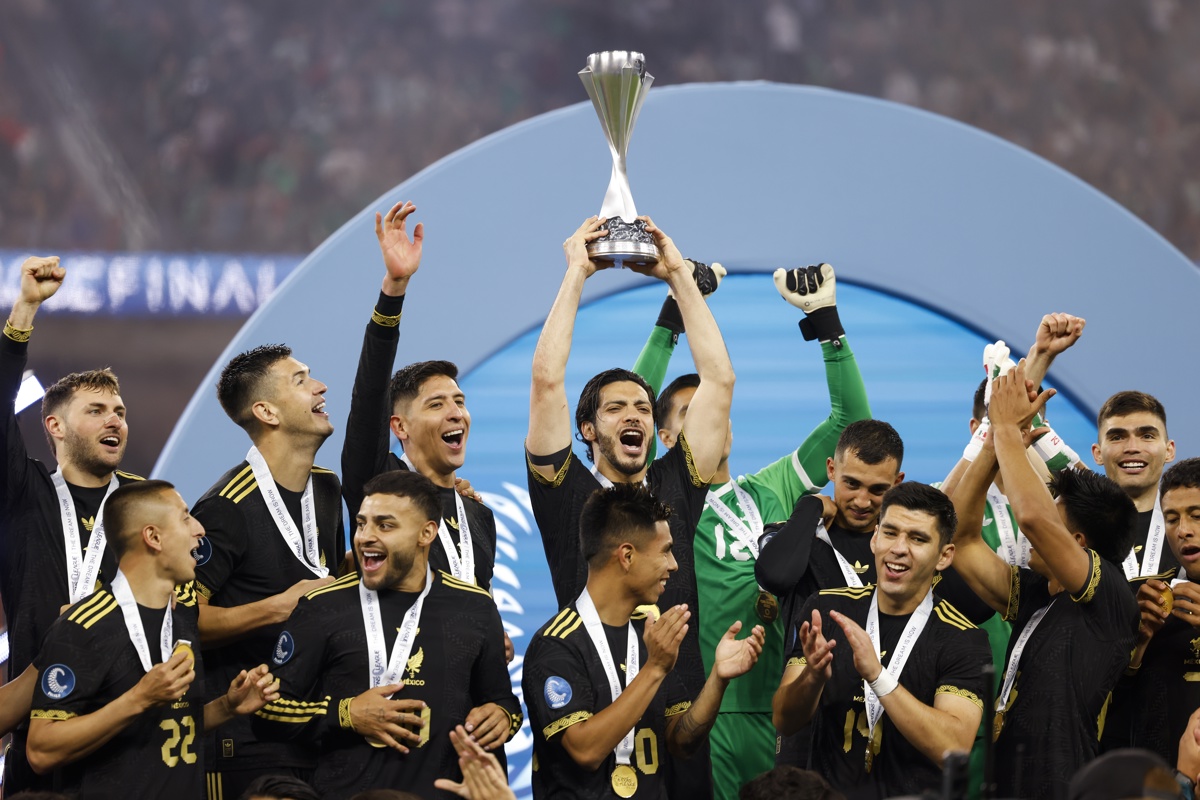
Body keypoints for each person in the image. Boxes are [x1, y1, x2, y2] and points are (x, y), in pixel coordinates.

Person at [643, 263, 871, 799]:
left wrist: (826, 322)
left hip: (787, 705)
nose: (712, 419)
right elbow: (627, 413)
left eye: (717, 409)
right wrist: (672, 319)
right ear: (665, 437)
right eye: (693, 412)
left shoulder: (773, 486)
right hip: (707, 708)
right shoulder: (661, 500)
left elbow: (853, 430)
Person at [252, 469, 521, 800]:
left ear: (426, 533)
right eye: (361, 523)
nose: (365, 537)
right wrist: (345, 714)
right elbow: (265, 713)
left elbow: (503, 701)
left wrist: (504, 716)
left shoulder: (476, 607)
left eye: (385, 525)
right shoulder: (322, 606)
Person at [948, 362, 1139, 800]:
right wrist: (993, 443)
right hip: (1006, 783)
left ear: (1077, 543)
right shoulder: (1040, 593)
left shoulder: (1109, 591)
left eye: (1058, 510)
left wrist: (1007, 430)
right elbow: (961, 536)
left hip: (1063, 787)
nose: (1034, 520)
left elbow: (1033, 517)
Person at [26, 480, 278, 799]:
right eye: (185, 518)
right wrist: (138, 698)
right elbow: (41, 751)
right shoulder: (83, 627)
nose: (200, 530)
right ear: (153, 537)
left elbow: (165, 727)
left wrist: (227, 707)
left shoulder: (182, 618)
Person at [0, 255, 144, 792]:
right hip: (39, 723)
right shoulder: (24, 493)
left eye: (120, 411)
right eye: (96, 410)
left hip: (129, 731)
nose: (115, 420)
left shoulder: (146, 502)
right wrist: (24, 310)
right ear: (54, 426)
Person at [523, 483, 765, 799]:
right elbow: (585, 750)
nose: (674, 564)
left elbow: (680, 741)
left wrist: (718, 679)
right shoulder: (557, 644)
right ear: (627, 556)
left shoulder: (648, 633)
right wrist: (654, 668)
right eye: (665, 551)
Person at [191, 344, 345, 798]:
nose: (321, 387)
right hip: (245, 742)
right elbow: (182, 621)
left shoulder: (327, 488)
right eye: (301, 380)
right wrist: (278, 607)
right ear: (266, 412)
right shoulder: (224, 506)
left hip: (318, 732)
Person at [772, 482, 990, 798]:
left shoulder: (964, 638)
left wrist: (878, 676)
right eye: (890, 533)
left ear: (944, 556)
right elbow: (785, 720)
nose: (898, 548)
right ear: (875, 538)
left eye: (917, 538)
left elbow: (953, 748)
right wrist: (813, 677)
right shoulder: (826, 608)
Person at [340, 200, 498, 592]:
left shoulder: (478, 515)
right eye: (437, 404)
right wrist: (393, 291)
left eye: (459, 402)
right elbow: (369, 398)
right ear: (399, 426)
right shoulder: (381, 485)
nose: (455, 413)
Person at [1103, 458, 1200, 763]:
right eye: (1171, 519)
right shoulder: (1145, 599)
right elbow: (1107, 708)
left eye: (1197, 516)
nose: (1183, 530)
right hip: (1154, 778)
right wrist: (1139, 642)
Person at [1091, 391, 1179, 587]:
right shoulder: (1078, 525)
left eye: (1147, 436)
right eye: (1117, 437)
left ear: (1169, 450)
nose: (1132, 447)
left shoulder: (1193, 525)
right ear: (1098, 453)